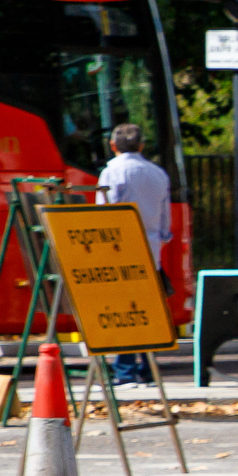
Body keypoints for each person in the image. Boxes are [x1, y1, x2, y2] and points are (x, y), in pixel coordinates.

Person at [96, 122, 169, 384]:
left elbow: (104, 211)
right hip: (151, 247)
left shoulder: (112, 172)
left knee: (125, 312)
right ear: (141, 146)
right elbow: (165, 221)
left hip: (121, 247)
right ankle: (149, 369)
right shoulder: (158, 173)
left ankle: (125, 370)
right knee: (147, 310)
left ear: (113, 145)